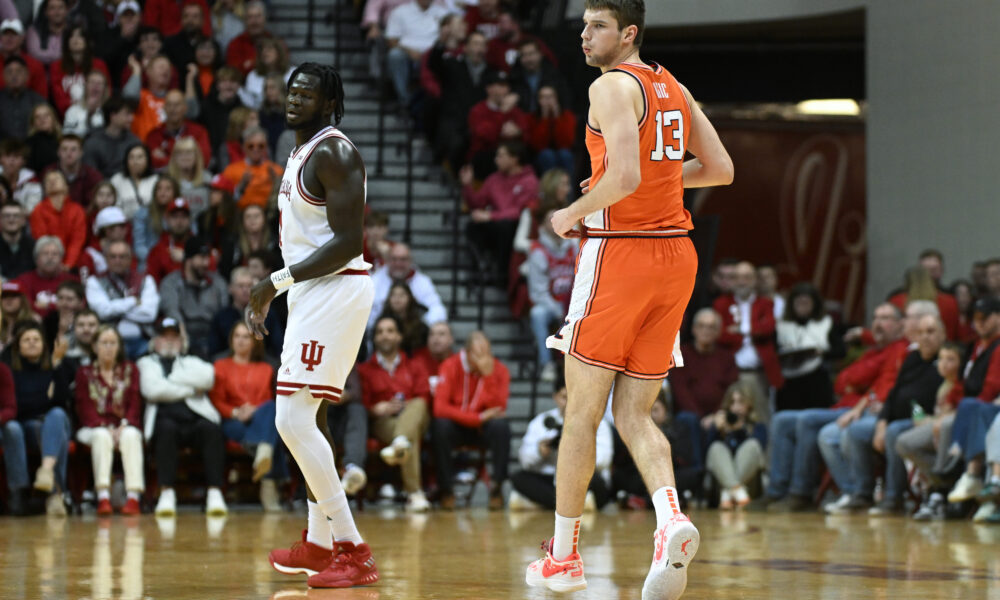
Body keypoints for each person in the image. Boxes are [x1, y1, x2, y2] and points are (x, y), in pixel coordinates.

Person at [525, 2, 734, 596]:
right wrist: (659, 176)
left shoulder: (611, 87)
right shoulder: (672, 86)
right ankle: (671, 519)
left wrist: (569, 212)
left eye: (597, 26)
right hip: (677, 259)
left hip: (622, 253)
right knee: (634, 414)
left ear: (628, 33)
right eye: (583, 25)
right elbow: (719, 169)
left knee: (581, 415)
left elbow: (624, 179)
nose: (584, 35)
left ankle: (563, 558)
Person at [248, 62, 379, 588]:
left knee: (291, 420)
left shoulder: (334, 151)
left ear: (329, 103)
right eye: (292, 88)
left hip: (336, 288)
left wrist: (274, 281)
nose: (296, 97)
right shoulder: (301, 150)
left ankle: (353, 548)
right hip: (312, 292)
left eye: (309, 91)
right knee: (310, 418)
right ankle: (318, 544)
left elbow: (350, 242)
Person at [764, 302, 907, 512]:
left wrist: (858, 388)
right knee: (781, 420)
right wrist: (857, 380)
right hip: (844, 407)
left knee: (808, 421)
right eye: (875, 318)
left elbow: (878, 385)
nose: (878, 323)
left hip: (858, 412)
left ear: (901, 325)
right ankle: (776, 491)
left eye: (885, 319)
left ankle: (801, 492)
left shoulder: (898, 351)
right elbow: (841, 382)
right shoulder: (873, 351)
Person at [138, 316, 227, 516]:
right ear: (155, 340)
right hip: (165, 420)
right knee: (166, 430)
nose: (169, 341)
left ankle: (215, 493)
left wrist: (169, 381)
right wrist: (190, 388)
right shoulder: (145, 362)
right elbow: (152, 390)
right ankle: (167, 493)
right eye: (164, 336)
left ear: (181, 340)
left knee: (211, 429)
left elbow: (208, 378)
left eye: (174, 336)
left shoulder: (191, 360)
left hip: (194, 418)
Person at [357, 315, 432, 512]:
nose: (385, 336)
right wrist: (375, 408)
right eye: (380, 332)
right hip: (383, 422)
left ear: (399, 336)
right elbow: (361, 403)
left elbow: (425, 395)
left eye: (390, 331)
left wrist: (405, 405)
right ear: (374, 339)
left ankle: (400, 441)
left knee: (418, 404)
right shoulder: (365, 370)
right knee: (409, 437)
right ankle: (414, 492)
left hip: (414, 415)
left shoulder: (415, 365)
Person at [209, 321, 285, 512]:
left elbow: (266, 400)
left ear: (254, 341)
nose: (241, 341)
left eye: (246, 337)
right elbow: (216, 400)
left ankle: (263, 452)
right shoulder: (220, 366)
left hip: (259, 416)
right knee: (271, 432)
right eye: (237, 336)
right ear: (231, 340)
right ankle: (268, 482)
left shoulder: (266, 368)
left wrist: (253, 410)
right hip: (233, 421)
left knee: (272, 406)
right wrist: (236, 412)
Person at [432, 330, 511, 510]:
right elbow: (440, 408)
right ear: (467, 353)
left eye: (487, 353)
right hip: (458, 426)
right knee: (439, 426)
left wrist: (489, 376)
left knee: (501, 426)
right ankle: (446, 491)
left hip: (482, 429)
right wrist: (478, 417)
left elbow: (498, 408)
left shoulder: (499, 370)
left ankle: (497, 488)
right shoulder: (449, 365)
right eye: (478, 354)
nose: (484, 359)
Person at [510, 373, 613, 511]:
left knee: (596, 482)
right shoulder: (541, 422)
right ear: (555, 397)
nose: (570, 403)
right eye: (565, 397)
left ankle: (544, 504)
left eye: (574, 397)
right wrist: (539, 452)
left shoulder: (597, 422)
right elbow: (524, 460)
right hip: (551, 479)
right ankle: (578, 505)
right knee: (519, 478)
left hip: (582, 477)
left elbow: (604, 460)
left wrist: (576, 452)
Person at [1, 320, 71, 516]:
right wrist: (42, 398)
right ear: (18, 346)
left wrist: (57, 366)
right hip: (23, 424)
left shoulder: (54, 366)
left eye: (36, 339)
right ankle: (44, 493)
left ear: (44, 344)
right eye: (26, 340)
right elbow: (16, 406)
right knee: (21, 428)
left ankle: (47, 473)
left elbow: (62, 401)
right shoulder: (9, 369)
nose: (32, 343)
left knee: (56, 416)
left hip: (49, 422)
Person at [74, 325, 144, 516]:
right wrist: (104, 426)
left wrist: (124, 425)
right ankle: (103, 496)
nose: (108, 347)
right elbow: (84, 407)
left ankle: (133, 497)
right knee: (101, 436)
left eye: (113, 343)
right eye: (104, 343)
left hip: (123, 424)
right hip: (92, 426)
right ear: (95, 347)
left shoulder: (131, 369)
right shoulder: (84, 372)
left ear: (119, 346)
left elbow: (135, 402)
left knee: (131, 435)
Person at [895, 341, 963, 520]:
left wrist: (931, 421)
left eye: (951, 359)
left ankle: (938, 491)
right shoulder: (942, 385)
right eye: (941, 359)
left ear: (961, 364)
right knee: (903, 442)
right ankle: (944, 484)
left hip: (955, 436)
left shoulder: (961, 386)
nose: (944, 364)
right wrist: (924, 418)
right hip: (938, 429)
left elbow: (952, 415)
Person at [460, 140, 539, 287]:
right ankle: (482, 268)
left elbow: (521, 210)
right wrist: (468, 186)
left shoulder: (530, 181)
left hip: (516, 226)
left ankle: (502, 275)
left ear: (514, 159)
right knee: (472, 226)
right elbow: (477, 203)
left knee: (506, 227)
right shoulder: (493, 179)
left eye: (501, 156)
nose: (496, 160)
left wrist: (491, 216)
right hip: (496, 223)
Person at [713, 261, 783, 421]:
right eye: (736, 277)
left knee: (761, 418)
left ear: (755, 280)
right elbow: (720, 335)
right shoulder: (722, 303)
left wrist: (741, 330)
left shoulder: (765, 303)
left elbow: (768, 329)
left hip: (757, 374)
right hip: (728, 372)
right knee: (727, 417)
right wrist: (753, 330)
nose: (741, 281)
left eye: (747, 277)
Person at [527, 204, 577, 382]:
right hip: (552, 305)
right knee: (537, 313)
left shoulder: (574, 246)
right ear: (542, 226)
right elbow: (537, 293)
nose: (557, 222)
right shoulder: (538, 252)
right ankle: (546, 363)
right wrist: (558, 311)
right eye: (551, 219)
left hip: (575, 302)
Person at [85, 239, 160, 358]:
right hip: (108, 342)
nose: (117, 261)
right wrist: (133, 302)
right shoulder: (94, 282)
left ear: (131, 259)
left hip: (143, 341)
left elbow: (149, 314)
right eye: (113, 257)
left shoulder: (146, 280)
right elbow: (103, 312)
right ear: (106, 259)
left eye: (122, 257)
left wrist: (114, 309)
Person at [159, 236, 229, 359]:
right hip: (184, 332)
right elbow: (171, 310)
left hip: (213, 335)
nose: (206, 263)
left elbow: (224, 314)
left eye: (208, 258)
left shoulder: (218, 283)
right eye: (202, 258)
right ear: (188, 259)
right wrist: (182, 332)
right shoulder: (171, 282)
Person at [703, 381, 767, 509]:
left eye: (740, 402)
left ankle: (729, 492)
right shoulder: (721, 423)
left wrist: (740, 431)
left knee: (752, 445)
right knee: (716, 447)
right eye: (732, 402)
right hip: (719, 488)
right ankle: (737, 492)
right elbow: (708, 454)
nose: (736, 407)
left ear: (749, 404)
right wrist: (716, 430)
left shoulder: (758, 427)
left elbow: (756, 454)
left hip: (749, 487)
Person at [774, 282, 835, 413]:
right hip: (789, 384)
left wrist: (822, 352)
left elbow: (840, 350)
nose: (802, 307)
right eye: (798, 303)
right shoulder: (781, 325)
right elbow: (773, 351)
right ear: (792, 304)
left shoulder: (826, 322)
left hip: (816, 383)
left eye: (806, 303)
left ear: (815, 304)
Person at [383, 0, 449, 111]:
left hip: (434, 54)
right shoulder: (400, 12)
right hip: (408, 54)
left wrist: (431, 53)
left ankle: (442, 99)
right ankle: (404, 100)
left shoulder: (443, 13)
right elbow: (391, 40)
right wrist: (409, 51)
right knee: (395, 55)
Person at [369, 243, 448, 329]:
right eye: (394, 259)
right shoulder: (374, 281)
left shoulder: (423, 282)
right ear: (387, 260)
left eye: (403, 259)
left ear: (411, 261)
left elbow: (438, 310)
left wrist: (419, 326)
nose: (398, 264)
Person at [210, 266, 283, 358]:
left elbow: (278, 348)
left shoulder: (268, 314)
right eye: (240, 286)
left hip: (262, 364)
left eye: (249, 286)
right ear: (230, 288)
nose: (245, 290)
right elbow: (214, 352)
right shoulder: (220, 317)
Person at [30, 170, 86, 269]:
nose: (52, 182)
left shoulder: (77, 210)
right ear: (45, 189)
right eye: (48, 181)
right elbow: (42, 240)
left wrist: (68, 264)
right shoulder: (38, 210)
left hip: (73, 264)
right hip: (47, 262)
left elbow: (77, 240)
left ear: (66, 186)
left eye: (56, 179)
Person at [145, 89, 212, 170]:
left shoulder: (199, 132)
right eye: (169, 105)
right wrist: (188, 159)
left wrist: (166, 158)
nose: (173, 109)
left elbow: (204, 160)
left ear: (185, 108)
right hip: (165, 177)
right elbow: (152, 162)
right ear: (164, 108)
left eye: (177, 105)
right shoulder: (154, 135)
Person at [220, 126, 282, 211]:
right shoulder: (230, 171)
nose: (255, 149)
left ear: (266, 147)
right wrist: (241, 187)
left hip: (269, 215)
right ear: (243, 147)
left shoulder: (277, 171)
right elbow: (225, 205)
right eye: (251, 146)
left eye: (260, 146)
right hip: (239, 216)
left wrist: (276, 184)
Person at [14, 235, 77, 317]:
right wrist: (58, 306)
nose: (50, 258)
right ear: (36, 259)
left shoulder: (72, 281)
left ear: (61, 259)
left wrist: (46, 306)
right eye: (45, 253)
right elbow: (25, 307)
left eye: (55, 254)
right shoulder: (24, 281)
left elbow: (78, 306)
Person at [42, 134, 103, 210]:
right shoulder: (48, 173)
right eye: (64, 149)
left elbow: (94, 205)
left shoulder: (93, 176)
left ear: (81, 152)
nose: (68, 153)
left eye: (73, 149)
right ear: (58, 152)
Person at [144, 195, 193, 283]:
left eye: (184, 216)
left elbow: (211, 274)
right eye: (175, 216)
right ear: (167, 219)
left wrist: (186, 259)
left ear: (190, 219)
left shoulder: (199, 246)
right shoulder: (157, 250)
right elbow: (152, 284)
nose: (179, 221)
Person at [0, 18, 49, 98]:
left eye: (14, 34)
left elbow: (41, 98)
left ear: (22, 38)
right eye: (5, 34)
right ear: (0, 38)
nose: (9, 38)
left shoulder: (35, 65)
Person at [376, 281, 429, 355]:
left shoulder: (421, 327)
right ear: (389, 299)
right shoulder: (381, 323)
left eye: (402, 295)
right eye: (393, 295)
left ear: (409, 298)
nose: (397, 299)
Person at [0, 55, 44, 140]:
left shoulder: (37, 101)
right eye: (9, 72)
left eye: (19, 71)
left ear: (27, 75)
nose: (14, 75)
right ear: (3, 76)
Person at [224, 0, 274, 75]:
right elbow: (233, 74)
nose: (254, 21)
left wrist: (249, 64)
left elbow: (282, 67)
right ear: (245, 21)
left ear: (265, 19)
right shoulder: (235, 45)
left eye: (258, 16)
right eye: (250, 17)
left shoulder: (275, 42)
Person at [110, 143, 156, 220]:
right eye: (131, 157)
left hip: (150, 224)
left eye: (140, 157)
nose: (135, 161)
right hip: (122, 224)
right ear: (126, 160)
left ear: (147, 159)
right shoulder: (117, 179)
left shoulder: (156, 180)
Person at [0, 137, 43, 214]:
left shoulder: (32, 181)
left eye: (16, 156)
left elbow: (32, 210)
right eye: (7, 156)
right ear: (0, 159)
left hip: (22, 222)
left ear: (23, 161)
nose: (11, 160)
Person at [411, 320, 453, 393]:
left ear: (451, 339)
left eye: (441, 334)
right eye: (432, 334)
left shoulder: (458, 364)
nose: (436, 338)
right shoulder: (416, 362)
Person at [0, 200, 34, 280]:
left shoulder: (33, 247)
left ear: (24, 221)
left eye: (16, 216)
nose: (11, 220)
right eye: (6, 216)